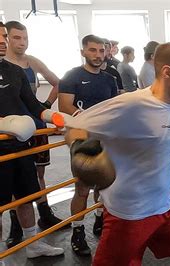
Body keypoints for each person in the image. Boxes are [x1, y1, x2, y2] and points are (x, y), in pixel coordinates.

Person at [64, 42, 170, 266]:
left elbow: (158, 144)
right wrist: (80, 151)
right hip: (130, 213)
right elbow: (74, 125)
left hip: (165, 203)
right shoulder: (132, 105)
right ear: (167, 72)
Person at [0, 21, 65, 258]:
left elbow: (34, 106)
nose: (2, 40)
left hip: (21, 146)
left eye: (4, 35)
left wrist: (56, 116)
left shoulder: (14, 71)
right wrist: (6, 123)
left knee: (26, 197)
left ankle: (33, 244)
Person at [58, 34, 118, 256]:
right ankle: (77, 231)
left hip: (106, 137)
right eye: (92, 50)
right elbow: (64, 104)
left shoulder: (110, 79)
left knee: (105, 182)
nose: (98, 55)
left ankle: (100, 218)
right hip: (83, 138)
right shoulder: (72, 76)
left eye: (101, 51)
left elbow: (115, 107)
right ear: (83, 51)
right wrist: (89, 121)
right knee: (82, 187)